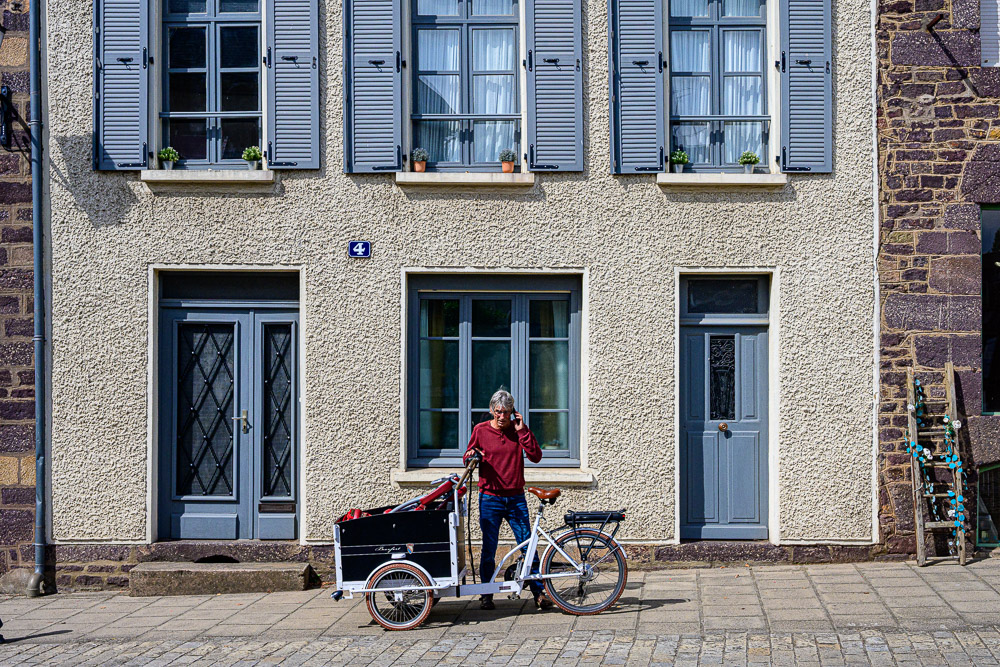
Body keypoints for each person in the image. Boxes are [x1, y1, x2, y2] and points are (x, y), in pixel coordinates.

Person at [464, 388, 553, 611]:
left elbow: (536, 456)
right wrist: (472, 456)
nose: (502, 416)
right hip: (490, 498)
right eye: (498, 412)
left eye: (507, 412)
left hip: (515, 498)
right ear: (492, 411)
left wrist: (523, 431)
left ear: (513, 412)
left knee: (527, 545)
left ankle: (538, 593)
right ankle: (486, 593)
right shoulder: (481, 430)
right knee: (489, 548)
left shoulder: (518, 430)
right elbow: (467, 457)